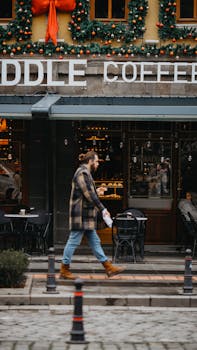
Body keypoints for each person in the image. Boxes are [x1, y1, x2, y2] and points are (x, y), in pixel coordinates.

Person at [60, 151, 126, 280]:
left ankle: (108, 267)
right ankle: (64, 269)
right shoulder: (82, 173)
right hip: (81, 215)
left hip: (85, 215)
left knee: (95, 241)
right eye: (96, 161)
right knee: (73, 241)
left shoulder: (85, 173)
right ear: (90, 161)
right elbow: (89, 194)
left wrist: (97, 191)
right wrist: (102, 209)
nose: (97, 164)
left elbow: (89, 192)